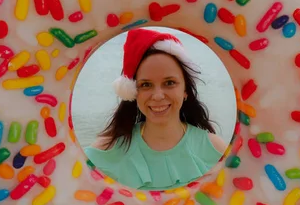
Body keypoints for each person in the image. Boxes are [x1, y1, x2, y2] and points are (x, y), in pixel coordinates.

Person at [84, 28, 228, 191]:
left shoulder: (215, 149)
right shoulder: (106, 151)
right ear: (134, 93)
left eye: (169, 83)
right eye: (146, 85)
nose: (158, 96)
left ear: (185, 90)